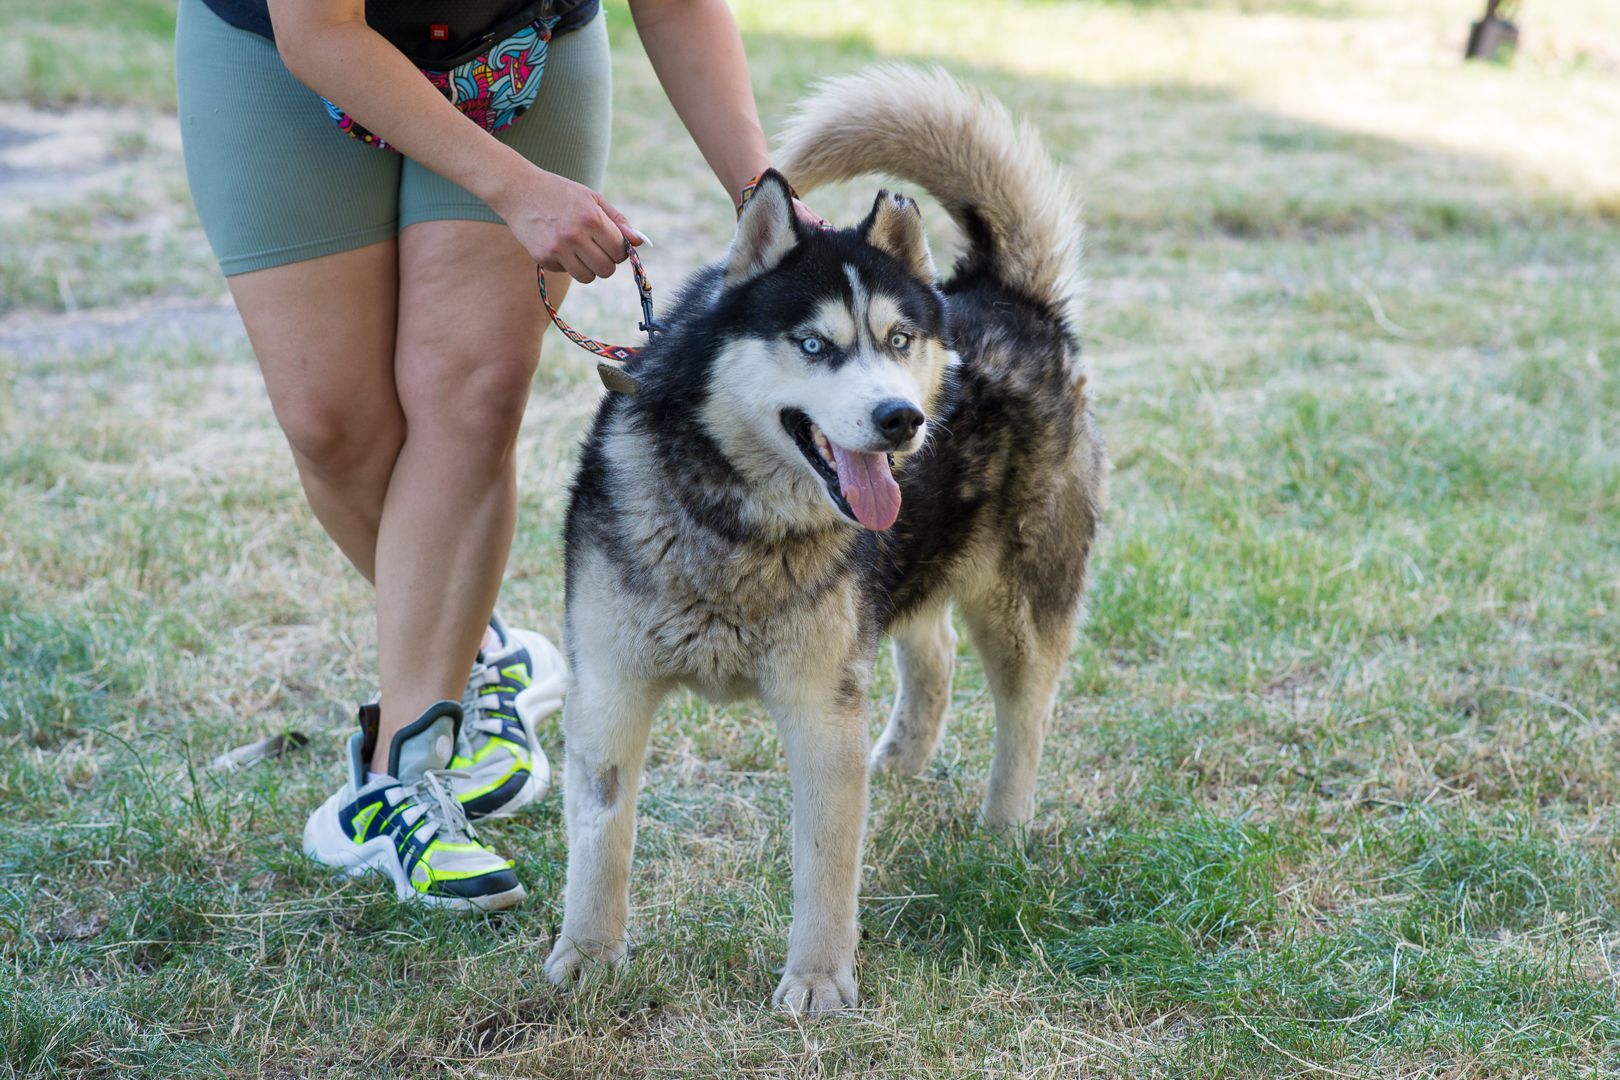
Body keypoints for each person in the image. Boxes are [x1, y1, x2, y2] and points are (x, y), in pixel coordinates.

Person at [176, 0, 821, 910]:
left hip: (518, 54)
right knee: (331, 422)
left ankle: (401, 782)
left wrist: (760, 190)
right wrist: (518, 191)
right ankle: (479, 649)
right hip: (287, 50)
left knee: (470, 400)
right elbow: (321, 30)